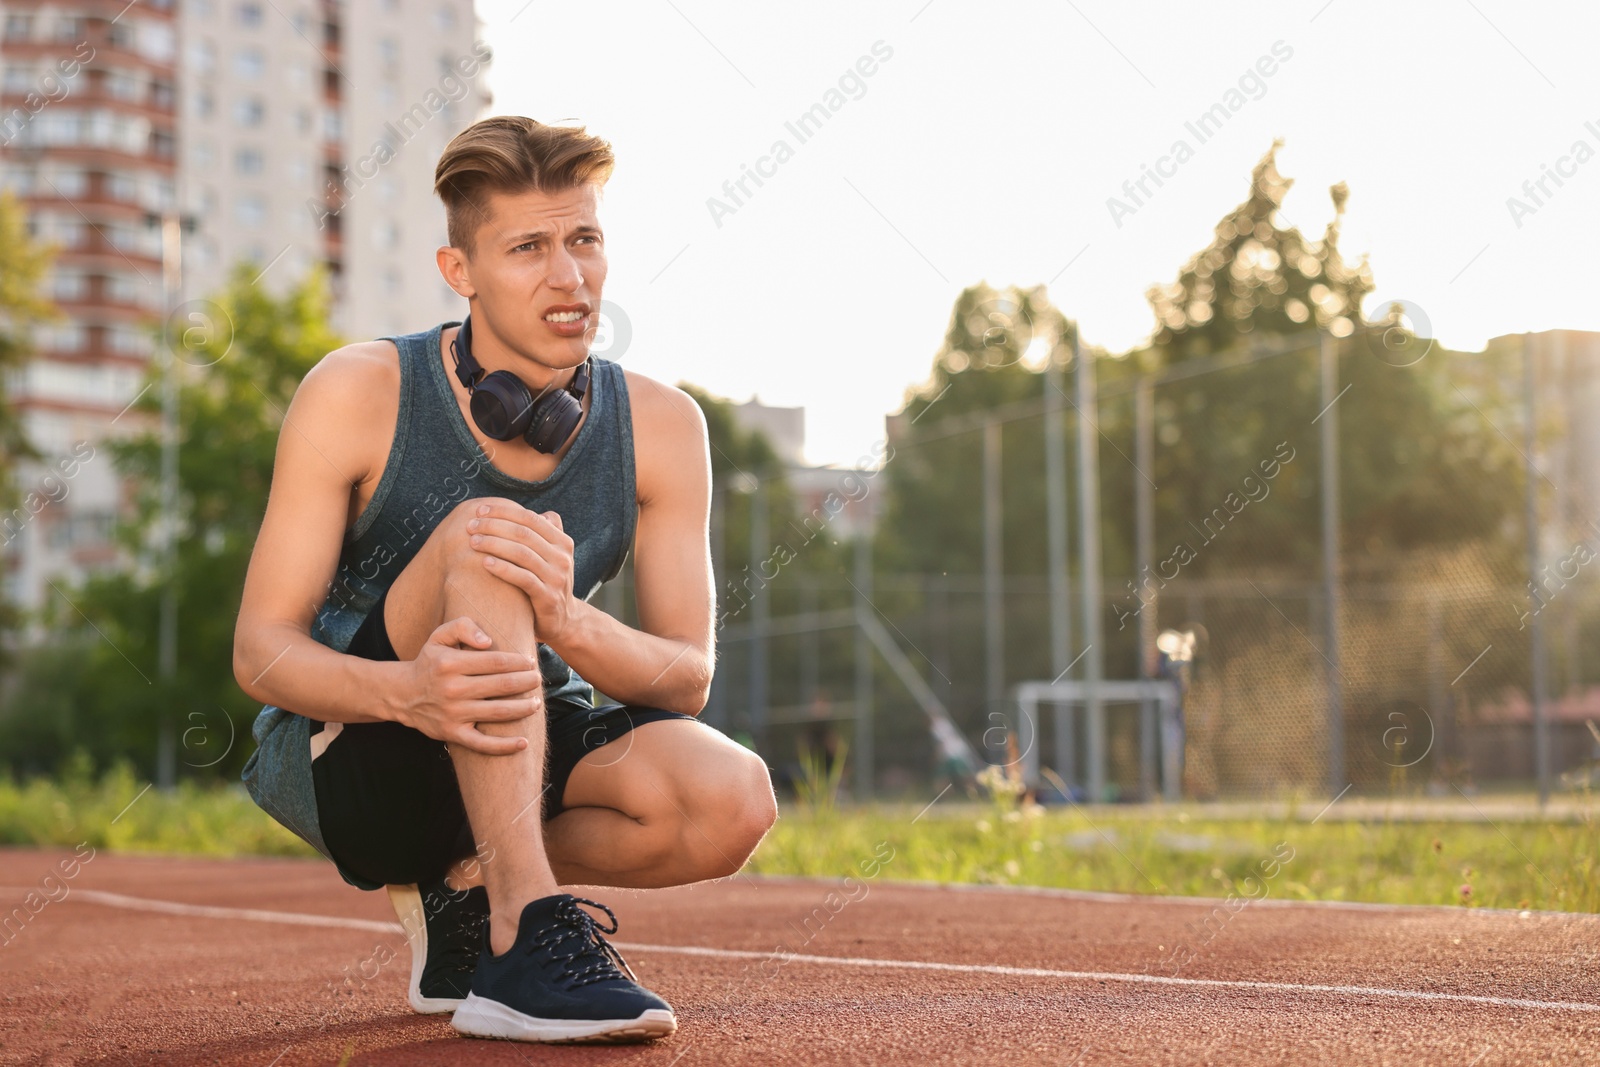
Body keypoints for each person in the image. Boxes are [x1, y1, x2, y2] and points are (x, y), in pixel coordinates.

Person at [235, 115, 778, 1044]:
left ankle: (471, 885)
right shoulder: (356, 389)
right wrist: (408, 692)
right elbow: (261, 651)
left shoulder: (665, 426)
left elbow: (686, 677)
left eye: (584, 240)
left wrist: (562, 616)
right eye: (529, 247)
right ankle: (524, 933)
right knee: (492, 535)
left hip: (519, 716)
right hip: (365, 750)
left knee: (733, 798)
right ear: (461, 272)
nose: (570, 276)